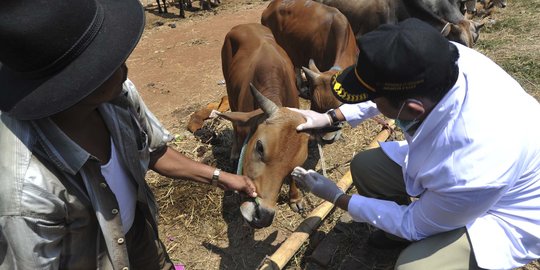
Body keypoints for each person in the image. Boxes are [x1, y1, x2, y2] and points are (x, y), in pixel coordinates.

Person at [0, 0, 256, 269]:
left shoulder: (118, 95)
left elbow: (152, 150)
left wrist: (220, 177)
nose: (124, 66)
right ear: (76, 82)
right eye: (106, 60)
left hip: (138, 235)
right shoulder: (25, 193)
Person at [290, 18, 540, 270]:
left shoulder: (468, 166)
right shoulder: (444, 58)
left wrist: (338, 197)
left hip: (509, 209)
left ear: (412, 109)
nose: (374, 105)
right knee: (368, 167)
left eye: (376, 101)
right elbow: (385, 91)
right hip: (479, 178)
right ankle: (395, 236)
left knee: (412, 267)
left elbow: (414, 224)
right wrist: (331, 116)